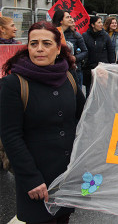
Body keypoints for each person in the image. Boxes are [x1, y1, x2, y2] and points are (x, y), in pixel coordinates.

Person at [0, 21, 86, 223]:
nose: (39, 49)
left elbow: (85, 117)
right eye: (33, 43)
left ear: (58, 49)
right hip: (37, 180)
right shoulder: (13, 84)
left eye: (46, 43)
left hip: (66, 176)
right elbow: (11, 136)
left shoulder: (69, 77)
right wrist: (31, 179)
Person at [52, 10, 88, 87]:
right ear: (61, 21)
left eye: (71, 17)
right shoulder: (52, 34)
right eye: (68, 17)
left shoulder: (76, 35)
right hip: (57, 70)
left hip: (73, 70)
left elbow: (85, 51)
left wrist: (75, 58)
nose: (71, 19)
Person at [82, 16, 115, 96]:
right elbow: (84, 51)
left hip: (102, 69)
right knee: (89, 93)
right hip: (89, 69)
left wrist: (111, 66)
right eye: (99, 22)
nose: (101, 24)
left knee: (101, 93)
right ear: (93, 25)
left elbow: (111, 52)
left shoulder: (105, 36)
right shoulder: (85, 36)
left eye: (101, 22)